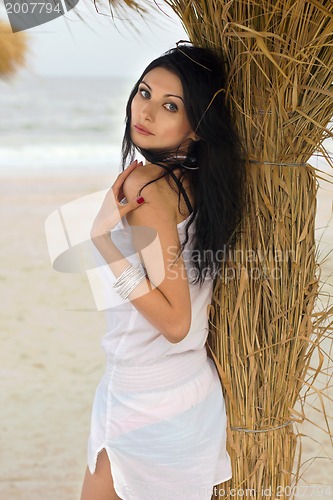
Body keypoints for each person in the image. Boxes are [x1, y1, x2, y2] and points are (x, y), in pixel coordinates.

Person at [80, 43, 247, 500]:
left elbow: (175, 322)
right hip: (190, 392)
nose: (146, 111)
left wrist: (101, 244)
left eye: (170, 105)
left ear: (194, 130)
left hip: (142, 397)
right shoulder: (202, 187)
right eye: (144, 93)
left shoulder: (146, 186)